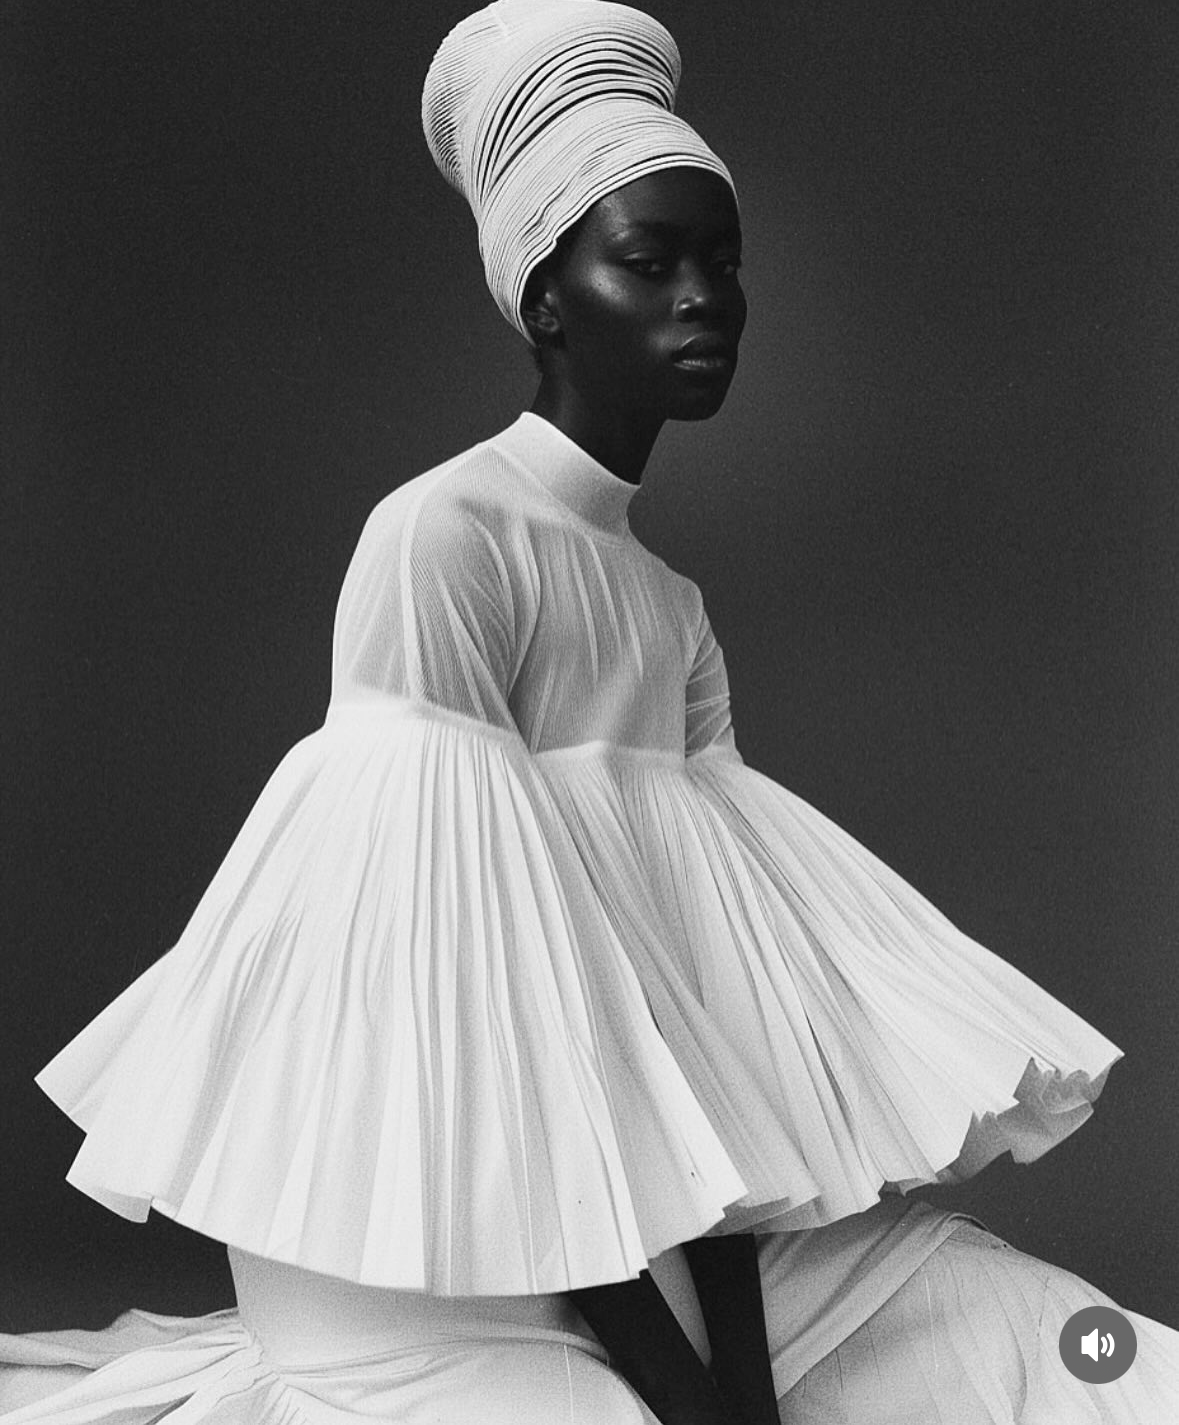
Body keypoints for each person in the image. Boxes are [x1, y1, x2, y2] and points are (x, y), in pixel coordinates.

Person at [1, 2, 1176, 1422]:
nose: (704, 298)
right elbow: (507, 1032)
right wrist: (688, 1396)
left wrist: (733, 1374)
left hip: (650, 1223)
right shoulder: (443, 542)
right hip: (422, 1235)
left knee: (1041, 1334)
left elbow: (713, 1025)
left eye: (723, 262)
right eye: (650, 260)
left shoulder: (666, 608)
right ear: (546, 300)